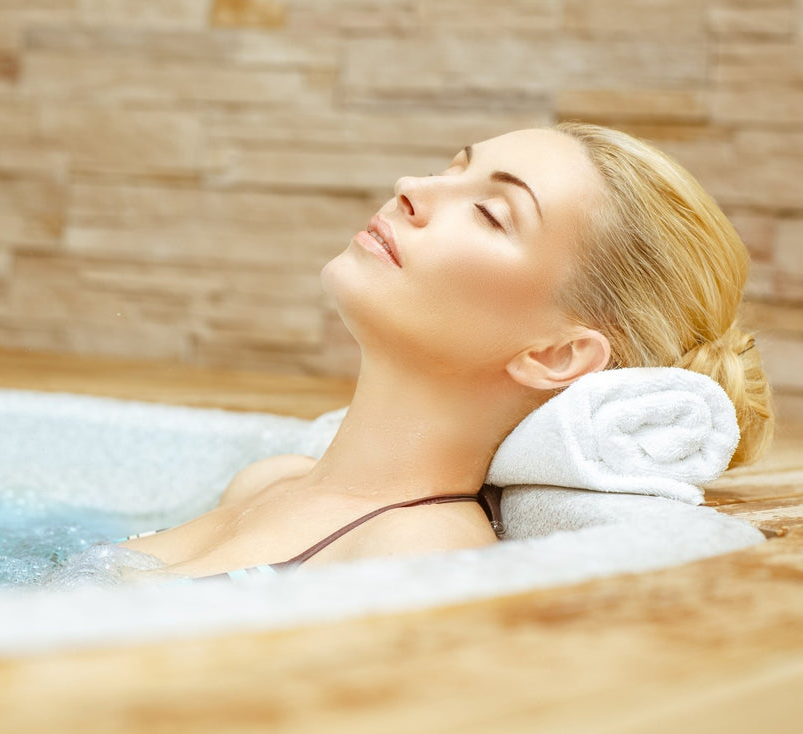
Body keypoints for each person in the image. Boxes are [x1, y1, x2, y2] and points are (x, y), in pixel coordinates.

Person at [120, 122, 774, 579]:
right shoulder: (269, 480)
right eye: (448, 169)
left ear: (557, 354)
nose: (411, 185)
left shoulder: (419, 552)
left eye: (492, 212)